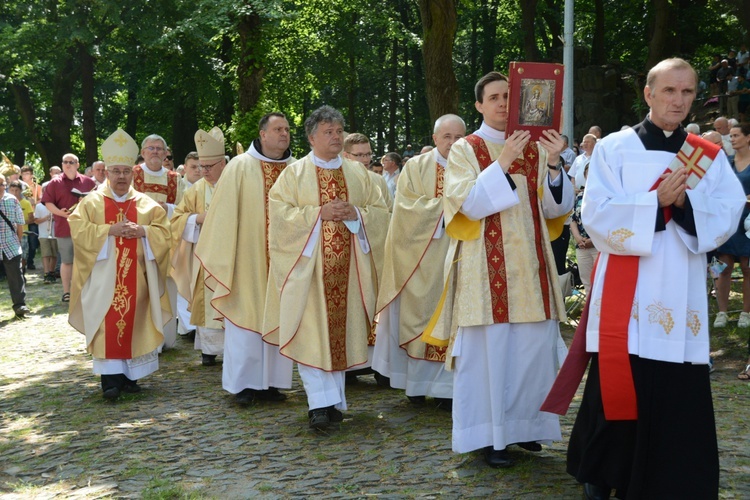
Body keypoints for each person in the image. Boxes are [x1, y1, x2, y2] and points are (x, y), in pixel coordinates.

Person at [547, 58, 745, 499]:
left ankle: (674, 477)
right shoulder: (615, 149)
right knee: (620, 377)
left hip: (682, 288)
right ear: (649, 94)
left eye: (688, 92)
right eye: (670, 91)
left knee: (678, 387)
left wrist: (683, 206)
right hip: (628, 292)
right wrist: (655, 202)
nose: (679, 100)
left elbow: (729, 212)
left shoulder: (707, 157)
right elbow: (595, 214)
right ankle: (603, 473)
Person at [423, 71, 573, 468]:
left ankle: (525, 429)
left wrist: (555, 165)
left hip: (532, 267)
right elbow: (464, 206)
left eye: (508, 96)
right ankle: (490, 437)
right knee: (491, 357)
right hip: (485, 275)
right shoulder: (466, 149)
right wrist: (502, 163)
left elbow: (555, 210)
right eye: (494, 97)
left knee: (531, 352)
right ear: (479, 105)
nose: (503, 103)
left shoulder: (538, 148)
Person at [263, 106, 389, 429]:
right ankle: (318, 405)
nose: (335, 137)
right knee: (311, 335)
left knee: (339, 336)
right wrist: (318, 214)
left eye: (338, 131)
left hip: (349, 273)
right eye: (328, 132)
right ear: (311, 137)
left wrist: (356, 215)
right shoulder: (293, 175)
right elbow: (279, 218)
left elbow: (381, 213)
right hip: (308, 272)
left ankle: (332, 402)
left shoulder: (359, 174)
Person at [194, 112, 295, 405]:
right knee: (245, 319)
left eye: (287, 129)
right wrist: (229, 257)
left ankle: (273, 383)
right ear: (262, 134)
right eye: (277, 129)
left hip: (284, 260)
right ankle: (244, 385)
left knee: (280, 317)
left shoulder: (295, 168)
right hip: (247, 260)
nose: (284, 134)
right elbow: (222, 216)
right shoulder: (240, 167)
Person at [68, 129, 172, 400]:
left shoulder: (147, 205)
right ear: (107, 173)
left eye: (126, 172)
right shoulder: (91, 202)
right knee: (107, 321)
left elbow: (164, 232)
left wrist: (144, 232)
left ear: (132, 173)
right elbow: (78, 230)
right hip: (104, 277)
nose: (121, 177)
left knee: (135, 320)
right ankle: (110, 380)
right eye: (116, 171)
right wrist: (108, 231)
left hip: (138, 277)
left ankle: (130, 377)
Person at [373, 114, 466, 410]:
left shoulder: (475, 165)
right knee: (421, 317)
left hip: (463, 254)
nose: (452, 143)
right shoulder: (415, 167)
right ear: (435, 138)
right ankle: (416, 385)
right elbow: (406, 211)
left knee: (456, 319)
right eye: (446, 137)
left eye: (458, 137)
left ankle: (447, 390)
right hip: (423, 258)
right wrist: (450, 206)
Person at [171, 128, 227, 367]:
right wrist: (197, 219)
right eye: (201, 167)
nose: (204, 172)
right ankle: (209, 350)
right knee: (207, 298)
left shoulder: (236, 184)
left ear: (223, 163)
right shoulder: (196, 190)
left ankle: (233, 349)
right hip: (204, 257)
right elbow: (177, 219)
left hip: (233, 256)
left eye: (209, 167)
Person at [41, 154, 96, 302]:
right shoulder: (55, 182)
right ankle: (67, 292)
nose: (68, 165)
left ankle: (86, 291)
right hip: (64, 227)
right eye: (65, 162)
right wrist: (61, 213)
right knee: (67, 261)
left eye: (71, 162)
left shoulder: (88, 181)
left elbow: (98, 204)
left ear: (77, 164)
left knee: (87, 260)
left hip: (86, 228)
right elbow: (48, 203)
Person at [714, 122, 750, 329]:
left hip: (748, 222)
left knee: (747, 268)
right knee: (722, 267)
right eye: (732, 136)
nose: (732, 139)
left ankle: (746, 312)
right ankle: (722, 312)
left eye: (736, 135)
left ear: (748, 138)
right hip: (728, 220)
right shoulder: (726, 162)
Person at [133, 134, 184, 218]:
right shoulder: (131, 174)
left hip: (165, 228)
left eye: (159, 148)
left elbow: (183, 208)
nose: (155, 151)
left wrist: (168, 208)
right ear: (143, 153)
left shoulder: (175, 178)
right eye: (151, 148)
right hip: (137, 227)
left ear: (164, 154)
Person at [0, 177, 31, 318]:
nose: (0, 186)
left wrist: (17, 241)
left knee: (16, 277)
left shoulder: (12, 200)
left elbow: (20, 224)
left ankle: (20, 306)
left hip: (10, 244)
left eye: (2, 184)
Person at [34, 187, 57, 284]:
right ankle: (46, 273)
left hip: (55, 233)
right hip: (43, 234)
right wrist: (46, 218)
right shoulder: (39, 206)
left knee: (54, 254)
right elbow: (36, 221)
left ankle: (52, 271)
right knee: (45, 254)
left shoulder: (56, 205)